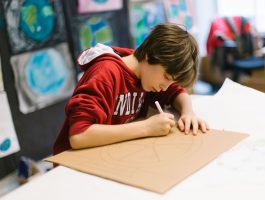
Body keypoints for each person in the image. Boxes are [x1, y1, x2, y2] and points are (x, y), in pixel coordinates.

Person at [53, 24, 209, 155]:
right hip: (74, 163)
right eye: (167, 77)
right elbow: (79, 135)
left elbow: (177, 92)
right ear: (150, 55)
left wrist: (188, 112)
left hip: (108, 152)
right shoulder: (105, 73)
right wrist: (147, 127)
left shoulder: (146, 73)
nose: (165, 87)